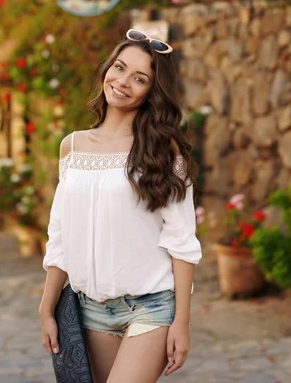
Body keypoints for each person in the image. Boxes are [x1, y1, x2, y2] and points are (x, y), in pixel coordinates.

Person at [39, 29, 202, 383]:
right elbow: (62, 236)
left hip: (152, 308)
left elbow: (182, 241)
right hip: (91, 310)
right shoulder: (73, 147)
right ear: (106, 69)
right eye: (119, 67)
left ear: (151, 93)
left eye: (139, 78)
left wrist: (182, 323)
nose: (124, 81)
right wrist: (46, 307)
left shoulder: (163, 151)